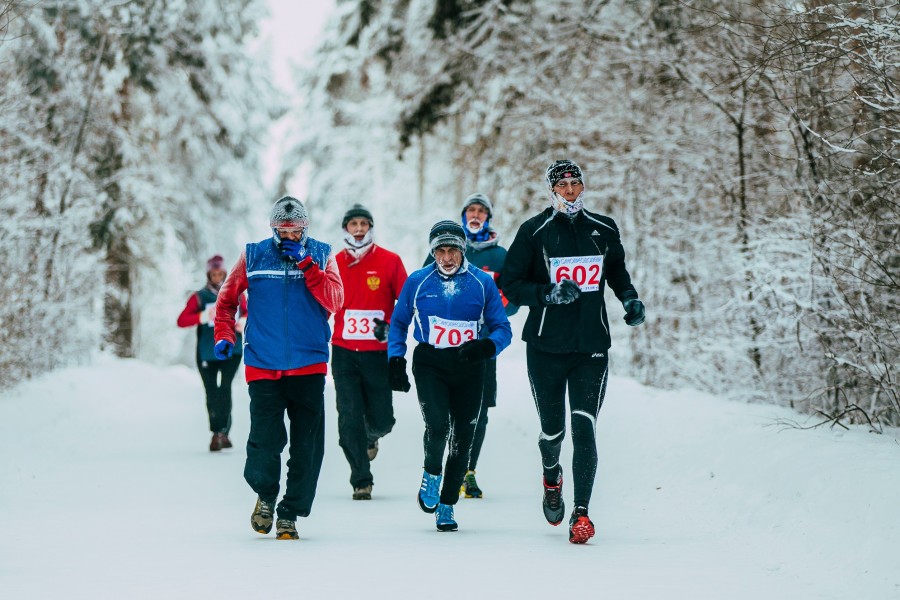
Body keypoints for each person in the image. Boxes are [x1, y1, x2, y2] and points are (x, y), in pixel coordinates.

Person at [501, 159, 646, 544]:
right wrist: (546, 293)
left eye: (575, 183)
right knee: (554, 433)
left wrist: (630, 300)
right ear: (551, 191)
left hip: (591, 346)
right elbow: (512, 285)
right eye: (562, 184)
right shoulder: (535, 231)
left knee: (585, 428)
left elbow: (616, 272)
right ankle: (552, 477)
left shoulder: (603, 228)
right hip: (546, 347)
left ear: (583, 187)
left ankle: (581, 514)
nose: (570, 190)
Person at [214, 196, 344, 541]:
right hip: (263, 364)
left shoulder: (322, 253)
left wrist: (308, 266)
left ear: (306, 228)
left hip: (308, 364)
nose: (289, 234)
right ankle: (266, 495)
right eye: (283, 228)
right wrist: (225, 334)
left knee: (307, 446)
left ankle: (289, 513)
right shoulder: (253, 255)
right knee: (264, 442)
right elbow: (226, 300)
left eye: (296, 228)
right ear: (273, 227)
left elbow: (335, 301)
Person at [388, 220, 512, 532]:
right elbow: (399, 322)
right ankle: (431, 473)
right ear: (433, 253)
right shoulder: (418, 281)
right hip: (430, 362)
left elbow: (502, 328)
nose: (447, 257)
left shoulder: (481, 282)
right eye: (440, 251)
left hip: (469, 364)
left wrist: (486, 347)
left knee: (463, 437)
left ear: (462, 250)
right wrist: (395, 360)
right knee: (439, 426)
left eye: (453, 250)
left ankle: (447, 504)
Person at [422, 192, 518, 498]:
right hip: (443, 345)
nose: (476, 215)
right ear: (463, 216)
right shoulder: (444, 247)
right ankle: (441, 468)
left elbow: (514, 298)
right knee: (445, 411)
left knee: (479, 411)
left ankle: (468, 471)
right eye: (471, 210)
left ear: (488, 219)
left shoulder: (500, 256)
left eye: (481, 211)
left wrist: (498, 302)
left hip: (482, 344)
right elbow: (424, 287)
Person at [332, 203, 408, 500]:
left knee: (383, 419)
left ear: (371, 228)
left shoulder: (390, 261)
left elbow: (405, 302)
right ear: (346, 229)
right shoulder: (333, 263)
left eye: (364, 223)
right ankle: (361, 479)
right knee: (348, 416)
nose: (359, 228)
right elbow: (320, 302)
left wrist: (389, 325)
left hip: (378, 352)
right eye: (354, 224)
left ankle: (372, 435)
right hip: (343, 351)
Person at [177, 255, 247, 452]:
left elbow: (248, 312)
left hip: (232, 349)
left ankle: (222, 432)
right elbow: (181, 320)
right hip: (207, 352)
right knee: (211, 391)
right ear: (209, 274)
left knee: (225, 388)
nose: (217, 277)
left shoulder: (237, 294)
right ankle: (216, 432)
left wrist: (242, 322)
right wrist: (203, 316)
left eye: (220, 273)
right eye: (214, 274)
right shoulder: (199, 297)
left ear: (225, 273)